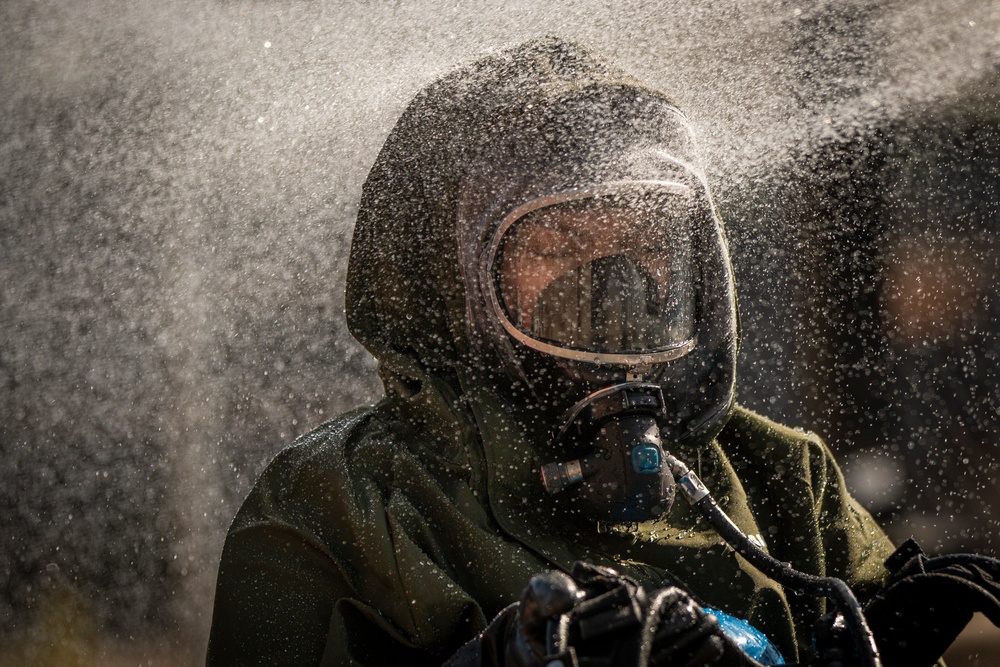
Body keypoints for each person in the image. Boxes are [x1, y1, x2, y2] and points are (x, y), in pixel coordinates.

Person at [206, 37, 986, 667]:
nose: (613, 282)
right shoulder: (335, 506)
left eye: (646, 240)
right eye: (561, 241)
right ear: (453, 277)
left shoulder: (786, 478)